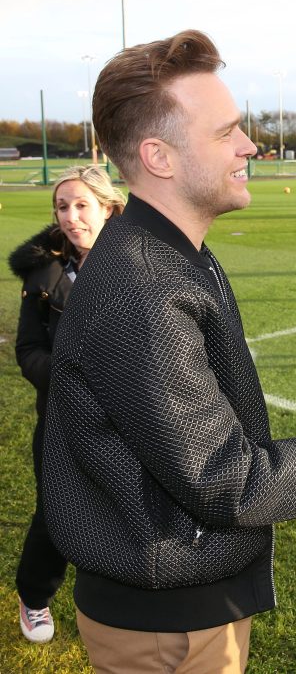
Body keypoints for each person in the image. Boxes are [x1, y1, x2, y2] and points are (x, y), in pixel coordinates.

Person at [42, 30, 296, 673]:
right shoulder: (141, 284)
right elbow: (225, 479)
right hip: (165, 626)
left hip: (183, 599)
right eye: (226, 132)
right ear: (158, 157)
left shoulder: (171, 251)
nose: (250, 144)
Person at [8, 165, 126, 643]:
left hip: (127, 416)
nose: (72, 217)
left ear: (108, 208)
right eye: (63, 207)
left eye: (83, 205)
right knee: (58, 509)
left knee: (124, 505)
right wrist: (71, 379)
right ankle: (34, 596)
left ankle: (117, 593)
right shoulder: (44, 273)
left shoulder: (139, 263)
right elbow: (28, 350)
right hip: (60, 415)